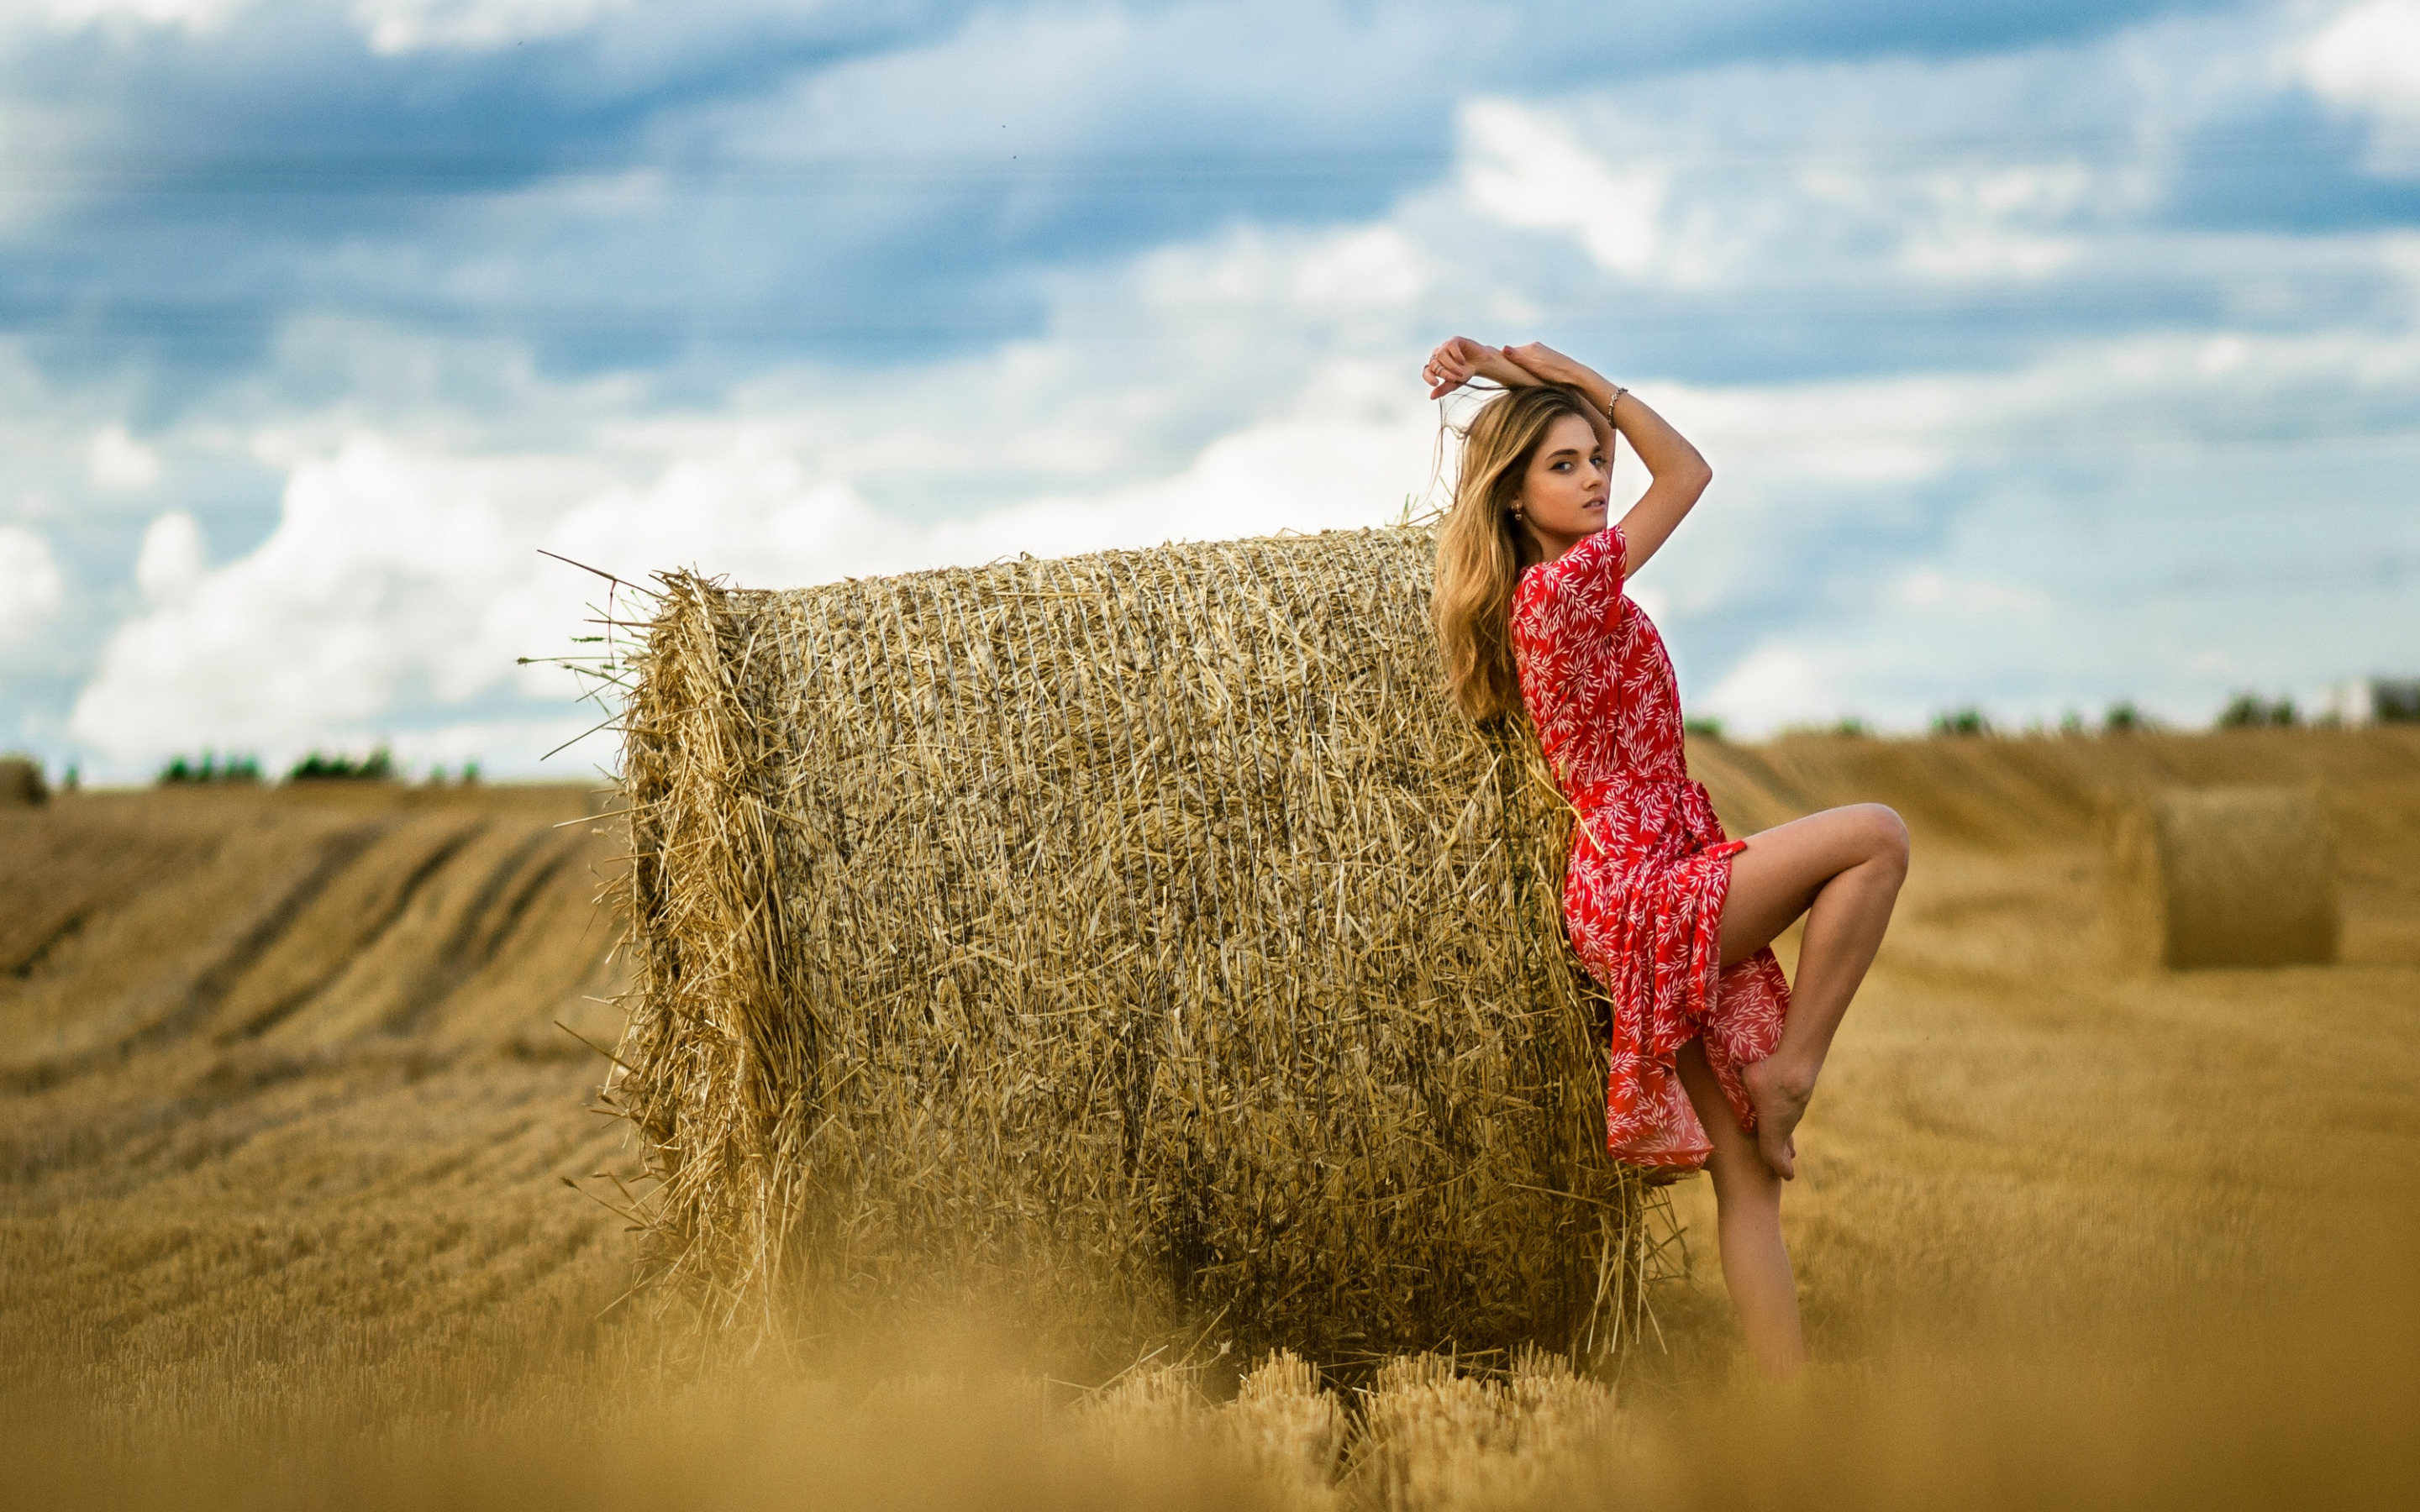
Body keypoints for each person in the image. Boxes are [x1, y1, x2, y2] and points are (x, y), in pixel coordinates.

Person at [1423, 337, 1910, 1376]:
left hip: (1651, 868)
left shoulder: (1574, 595)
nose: (1599, 476)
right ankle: (1794, 1071)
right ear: (1513, 497)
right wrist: (1579, 376)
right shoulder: (1559, 598)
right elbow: (1689, 471)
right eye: (1567, 464)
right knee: (1876, 837)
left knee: (1748, 1183)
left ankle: (1789, 1409)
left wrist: (1536, 392)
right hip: (1641, 887)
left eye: (1598, 456)